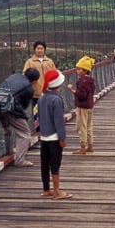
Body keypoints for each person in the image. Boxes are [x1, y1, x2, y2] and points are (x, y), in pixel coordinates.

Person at [0, 68, 40, 167]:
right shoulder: (29, 88)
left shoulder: (14, 76)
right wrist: (22, 117)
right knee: (25, 134)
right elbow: (24, 106)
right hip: (10, 108)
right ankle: (20, 160)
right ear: (35, 81)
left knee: (7, 129)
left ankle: (8, 152)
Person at [38, 68, 72, 200]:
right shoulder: (56, 100)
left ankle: (46, 189)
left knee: (44, 163)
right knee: (55, 164)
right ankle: (57, 191)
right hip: (54, 137)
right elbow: (59, 121)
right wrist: (62, 138)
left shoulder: (42, 98)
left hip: (44, 136)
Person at [23, 40, 56, 135]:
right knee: (37, 113)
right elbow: (25, 74)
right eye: (38, 48)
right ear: (34, 50)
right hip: (36, 93)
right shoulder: (29, 62)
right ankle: (39, 131)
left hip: (48, 92)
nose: (39, 50)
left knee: (49, 110)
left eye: (41, 48)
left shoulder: (49, 61)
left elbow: (55, 74)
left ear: (45, 50)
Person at [67, 55, 96, 154]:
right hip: (89, 106)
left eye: (79, 69)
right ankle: (90, 145)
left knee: (81, 126)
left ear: (85, 70)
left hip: (82, 107)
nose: (77, 71)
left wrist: (72, 90)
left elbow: (82, 95)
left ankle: (83, 147)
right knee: (89, 126)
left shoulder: (82, 81)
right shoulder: (90, 80)